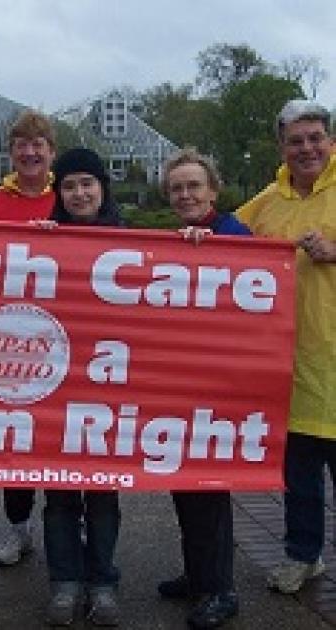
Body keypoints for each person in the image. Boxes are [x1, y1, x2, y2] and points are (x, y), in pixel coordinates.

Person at [235, 99, 336, 595]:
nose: (307, 148)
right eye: (296, 140)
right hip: (290, 367)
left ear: (330, 140)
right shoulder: (267, 202)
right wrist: (191, 238)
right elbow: (222, 240)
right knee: (298, 475)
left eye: (315, 137)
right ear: (282, 147)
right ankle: (304, 556)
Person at [157, 147, 250, 630]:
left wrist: (212, 247)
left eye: (194, 186)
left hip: (218, 386)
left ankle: (221, 588)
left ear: (213, 190)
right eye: (177, 188)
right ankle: (197, 577)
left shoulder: (234, 233)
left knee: (211, 489)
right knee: (185, 486)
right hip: (181, 385)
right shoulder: (173, 240)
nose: (186, 195)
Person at [43, 147, 124, 627]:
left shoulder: (130, 242)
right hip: (55, 388)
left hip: (107, 387)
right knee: (57, 496)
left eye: (87, 184)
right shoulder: (43, 240)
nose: (78, 193)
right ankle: (64, 582)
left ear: (102, 189)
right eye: (69, 186)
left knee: (103, 496)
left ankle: (103, 583)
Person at [0, 109, 56, 566]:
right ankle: (18, 528)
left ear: (50, 153)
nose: (29, 152)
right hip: (12, 338)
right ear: (11, 154)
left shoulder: (67, 197)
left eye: (37, 145)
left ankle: (69, 528)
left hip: (65, 338)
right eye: (21, 145)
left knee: (63, 434)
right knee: (16, 440)